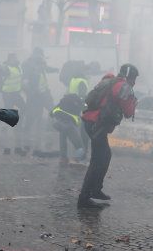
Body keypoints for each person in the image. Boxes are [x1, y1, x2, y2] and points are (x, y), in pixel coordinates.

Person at [78, 64, 138, 208]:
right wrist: (134, 102)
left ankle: (96, 190)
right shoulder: (124, 87)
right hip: (98, 125)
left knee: (105, 155)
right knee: (97, 161)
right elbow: (128, 112)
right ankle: (84, 198)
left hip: (90, 122)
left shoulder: (110, 80)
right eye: (134, 78)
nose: (135, 81)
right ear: (130, 76)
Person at [22, 47, 58, 149]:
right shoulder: (27, 64)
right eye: (40, 55)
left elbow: (46, 68)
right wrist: (31, 92)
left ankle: (42, 131)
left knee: (50, 110)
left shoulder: (40, 63)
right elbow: (24, 81)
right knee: (33, 113)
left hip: (44, 93)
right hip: (34, 95)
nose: (42, 58)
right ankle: (27, 130)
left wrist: (55, 70)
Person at [0, 53, 25, 140]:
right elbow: (2, 71)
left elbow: (19, 79)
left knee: (24, 108)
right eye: (13, 58)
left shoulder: (18, 67)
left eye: (16, 58)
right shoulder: (6, 67)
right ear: (9, 59)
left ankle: (17, 125)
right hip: (8, 94)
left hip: (16, 93)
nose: (15, 59)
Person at [50, 93, 85, 165]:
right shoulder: (79, 102)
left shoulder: (62, 102)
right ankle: (77, 159)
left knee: (63, 138)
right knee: (79, 146)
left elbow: (51, 113)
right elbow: (86, 109)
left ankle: (63, 158)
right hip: (69, 125)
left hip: (60, 124)